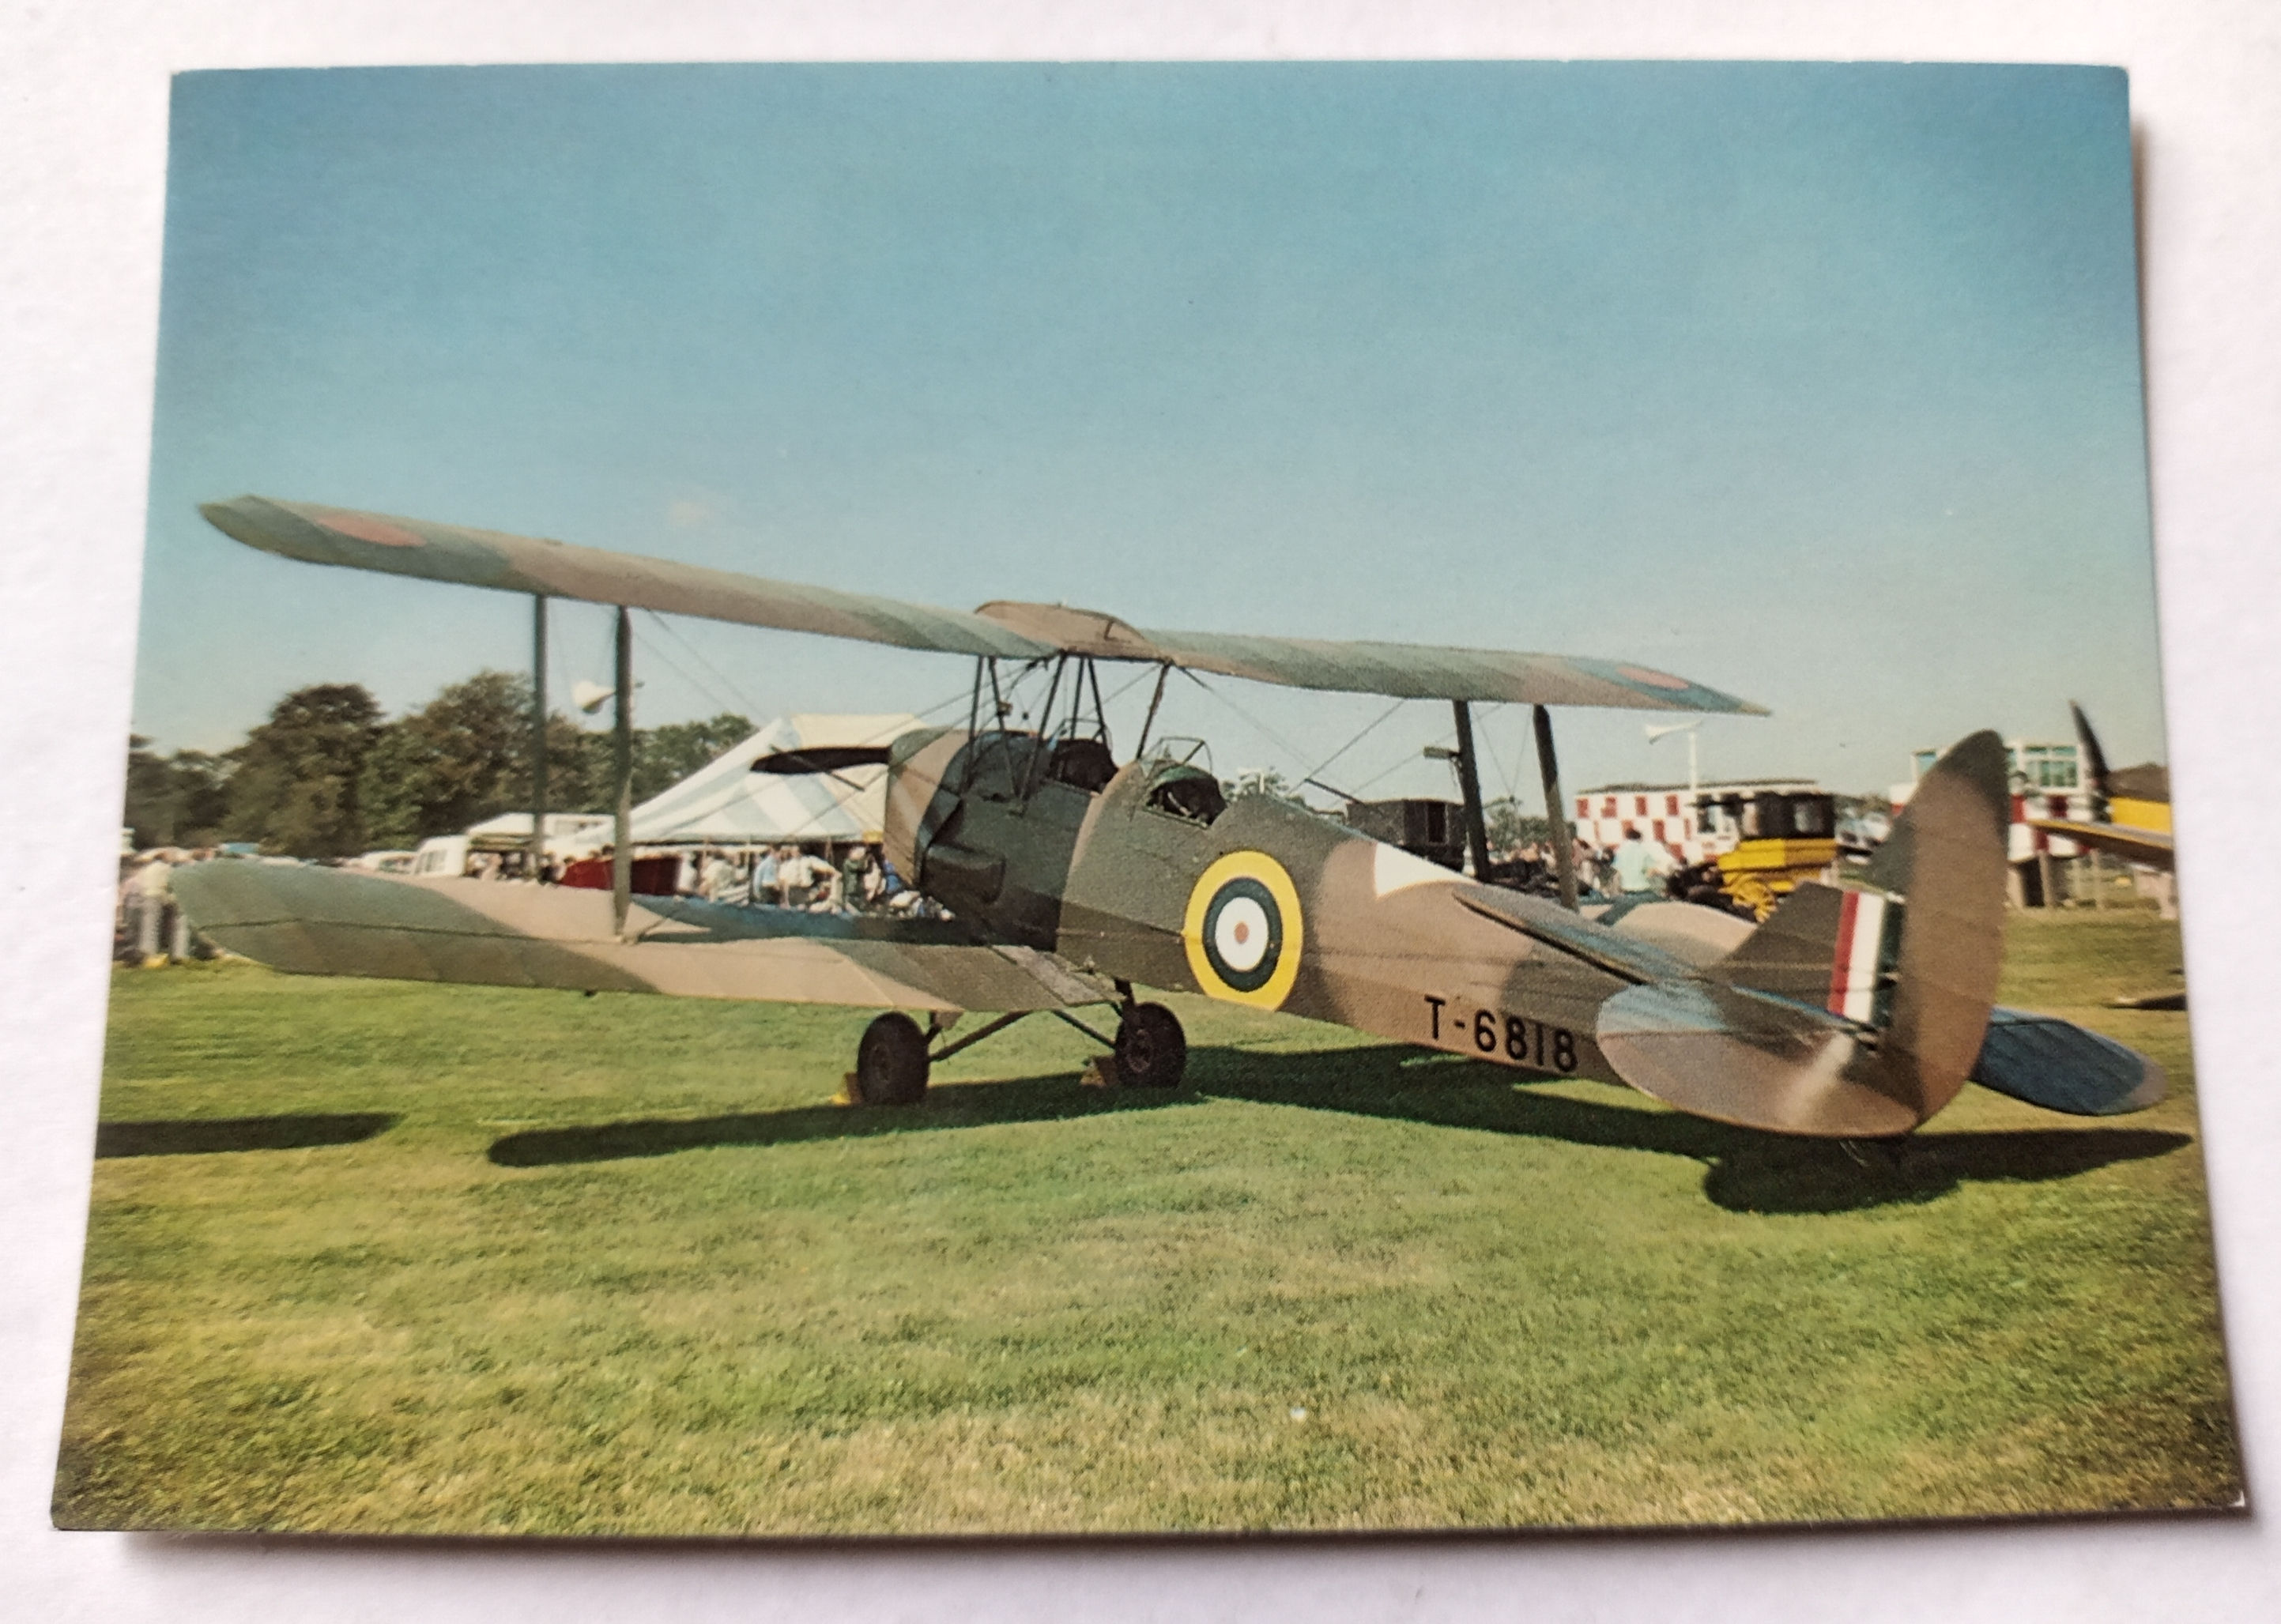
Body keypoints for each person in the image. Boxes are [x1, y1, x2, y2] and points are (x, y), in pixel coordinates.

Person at [1612, 826, 1657, 895]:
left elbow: (1618, 870)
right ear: (1640, 838)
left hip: (1626, 887)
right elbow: (1651, 870)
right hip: (1643, 886)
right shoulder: (1644, 850)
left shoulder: (1620, 851)